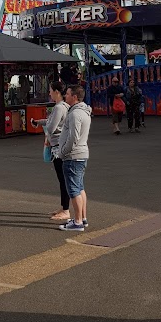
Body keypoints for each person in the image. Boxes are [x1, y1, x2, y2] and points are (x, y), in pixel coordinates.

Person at [31, 81, 70, 221]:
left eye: (50, 90)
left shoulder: (59, 107)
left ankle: (66, 210)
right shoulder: (62, 106)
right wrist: (39, 122)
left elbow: (52, 127)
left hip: (58, 147)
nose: (49, 93)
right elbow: (50, 121)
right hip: (61, 145)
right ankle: (63, 207)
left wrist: (47, 137)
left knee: (63, 179)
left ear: (57, 92)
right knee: (62, 179)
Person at [57, 85, 91, 232]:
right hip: (80, 154)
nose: (66, 96)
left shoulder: (75, 114)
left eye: (68, 94)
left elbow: (73, 138)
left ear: (75, 97)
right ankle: (82, 218)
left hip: (73, 156)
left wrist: (63, 152)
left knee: (74, 190)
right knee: (79, 187)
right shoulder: (83, 112)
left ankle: (77, 222)